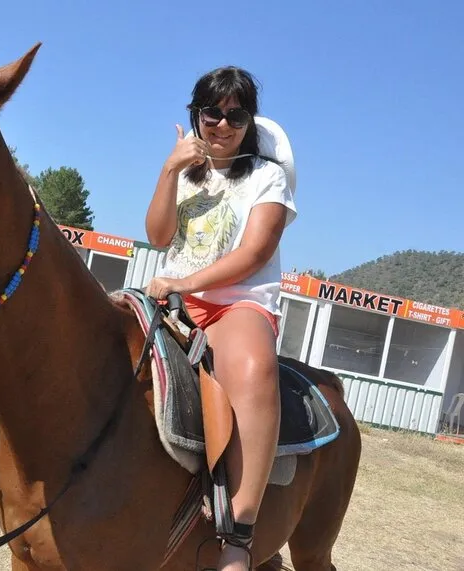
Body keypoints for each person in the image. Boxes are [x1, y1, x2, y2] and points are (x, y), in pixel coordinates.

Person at [144, 66, 297, 571]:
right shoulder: (184, 171)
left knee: (254, 368)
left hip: (236, 302)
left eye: (236, 115)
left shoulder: (267, 177)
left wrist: (186, 284)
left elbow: (255, 253)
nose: (222, 124)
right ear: (197, 114)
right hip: (171, 298)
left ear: (249, 121)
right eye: (212, 112)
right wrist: (169, 170)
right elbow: (160, 236)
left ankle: (239, 534)